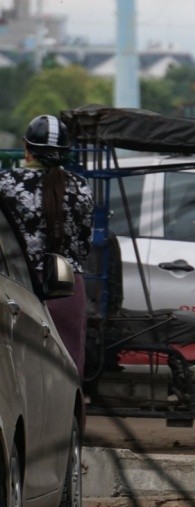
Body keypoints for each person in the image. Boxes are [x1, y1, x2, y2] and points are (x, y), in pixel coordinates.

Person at [0, 115, 94, 378]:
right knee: (67, 376)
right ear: (65, 154)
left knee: (18, 376)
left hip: (17, 289)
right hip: (67, 288)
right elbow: (84, 244)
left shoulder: (5, 184)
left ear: (26, 148)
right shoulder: (80, 188)